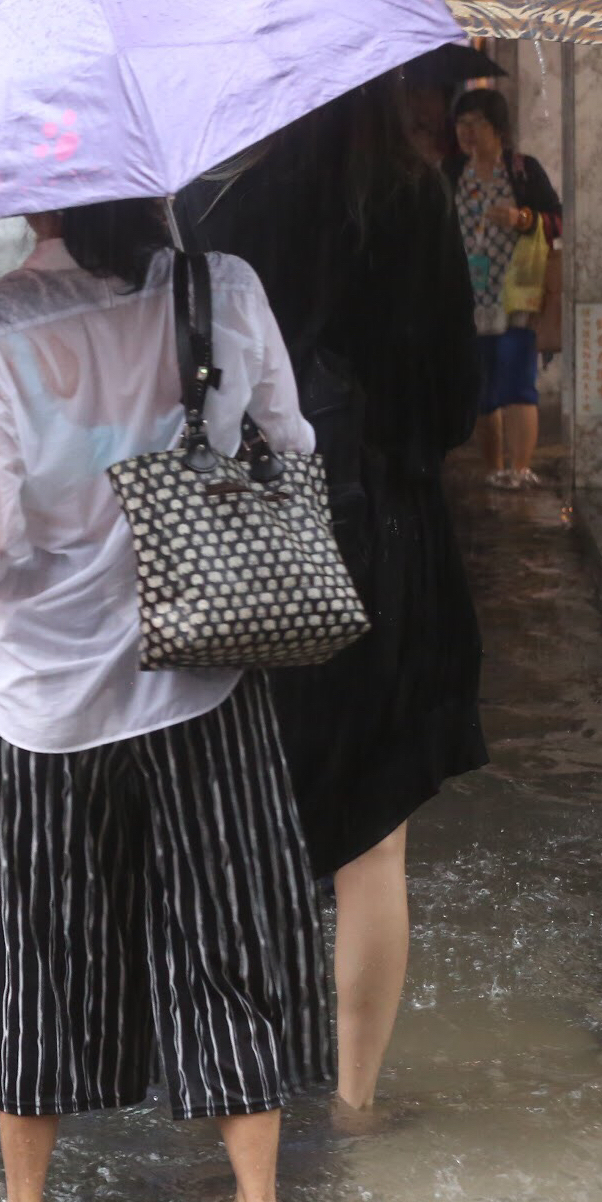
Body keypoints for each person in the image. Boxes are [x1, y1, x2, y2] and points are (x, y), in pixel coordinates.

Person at [0, 200, 330, 1202]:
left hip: (46, 700)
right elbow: (287, 442)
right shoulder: (220, 286)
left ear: (31, 191)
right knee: (224, 929)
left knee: (34, 947)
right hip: (204, 671)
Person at [185, 77, 487, 1116]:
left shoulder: (212, 209)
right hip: (387, 544)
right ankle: (353, 1099)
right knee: (374, 834)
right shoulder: (412, 198)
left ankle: (238, 1094)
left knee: (242, 816)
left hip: (247, 547)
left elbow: (183, 390)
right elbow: (454, 403)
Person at [445, 87, 561, 488]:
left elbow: (558, 219)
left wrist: (522, 218)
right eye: (461, 123)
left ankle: (520, 469)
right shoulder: (452, 172)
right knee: (483, 390)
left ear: (498, 128)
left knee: (517, 382)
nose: (467, 132)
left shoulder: (522, 170)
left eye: (476, 123)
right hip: (469, 299)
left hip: (517, 293)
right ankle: (495, 470)